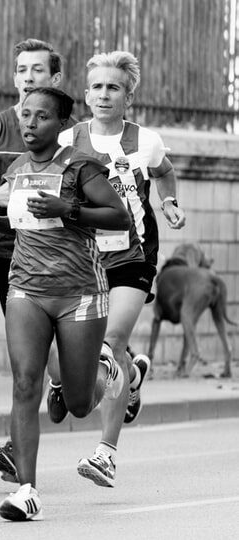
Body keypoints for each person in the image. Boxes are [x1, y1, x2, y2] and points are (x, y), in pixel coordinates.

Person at [0, 87, 130, 521]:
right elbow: (25, 220)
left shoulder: (80, 167)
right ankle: (26, 490)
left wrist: (68, 207)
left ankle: (103, 366)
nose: (30, 123)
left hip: (79, 292)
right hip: (26, 288)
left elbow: (119, 217)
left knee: (77, 404)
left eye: (41, 117)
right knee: (24, 384)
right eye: (25, 115)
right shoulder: (17, 167)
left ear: (62, 126)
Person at [49, 51, 186, 488]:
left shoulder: (146, 140)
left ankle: (105, 453)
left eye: (114, 87)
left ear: (128, 95)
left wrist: (169, 203)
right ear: (86, 95)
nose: (105, 94)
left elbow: (164, 174)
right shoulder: (68, 139)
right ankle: (130, 372)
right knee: (90, 353)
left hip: (133, 255)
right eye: (97, 87)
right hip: (82, 258)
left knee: (110, 342)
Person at [0, 39, 72, 482]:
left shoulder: (70, 135)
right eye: (20, 70)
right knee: (24, 358)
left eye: (36, 70)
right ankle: (19, 450)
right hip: (9, 254)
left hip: (64, 259)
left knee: (60, 367)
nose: (27, 77)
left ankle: (106, 375)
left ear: (54, 80)